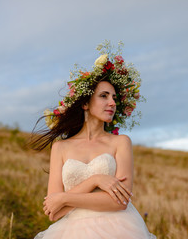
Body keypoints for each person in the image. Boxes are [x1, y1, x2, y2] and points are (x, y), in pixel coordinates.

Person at [31, 41, 156, 239]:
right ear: (85, 104)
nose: (112, 103)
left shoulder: (120, 142)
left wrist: (65, 198)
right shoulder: (60, 147)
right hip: (71, 232)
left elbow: (119, 202)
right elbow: (54, 212)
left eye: (114, 97)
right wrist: (96, 180)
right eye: (104, 96)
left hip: (119, 229)